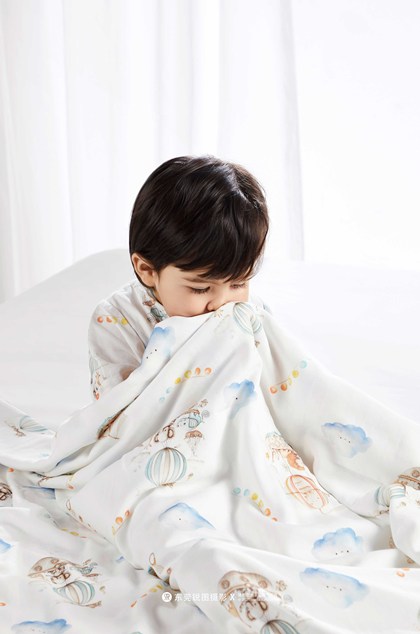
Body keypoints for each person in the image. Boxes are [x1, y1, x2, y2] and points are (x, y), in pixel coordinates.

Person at [88, 155, 270, 401]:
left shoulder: (249, 311)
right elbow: (116, 410)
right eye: (200, 288)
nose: (221, 304)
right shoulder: (117, 320)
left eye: (238, 283)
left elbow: (273, 383)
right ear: (147, 270)